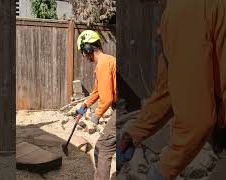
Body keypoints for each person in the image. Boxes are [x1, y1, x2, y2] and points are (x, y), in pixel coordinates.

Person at [118, 0, 226, 179]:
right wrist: (136, 132)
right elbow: (167, 92)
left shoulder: (185, 8)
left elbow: (197, 120)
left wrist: (162, 170)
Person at [76, 30, 117, 180]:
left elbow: (106, 99)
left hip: (125, 110)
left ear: (88, 49)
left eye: (83, 52)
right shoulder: (106, 61)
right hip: (128, 107)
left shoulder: (103, 64)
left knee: (102, 147)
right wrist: (85, 105)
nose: (84, 56)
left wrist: (95, 117)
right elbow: (97, 91)